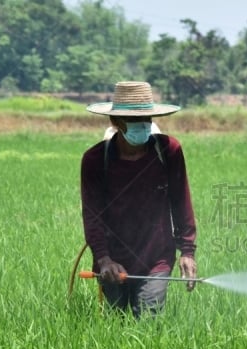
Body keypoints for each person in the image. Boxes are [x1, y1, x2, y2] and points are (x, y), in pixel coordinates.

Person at [80, 81, 197, 318]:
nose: (142, 127)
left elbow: (181, 202)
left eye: (147, 121)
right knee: (115, 322)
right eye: (134, 122)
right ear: (116, 122)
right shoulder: (95, 160)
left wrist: (187, 251)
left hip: (157, 257)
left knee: (148, 318)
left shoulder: (169, 151)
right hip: (113, 260)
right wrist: (103, 259)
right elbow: (92, 216)